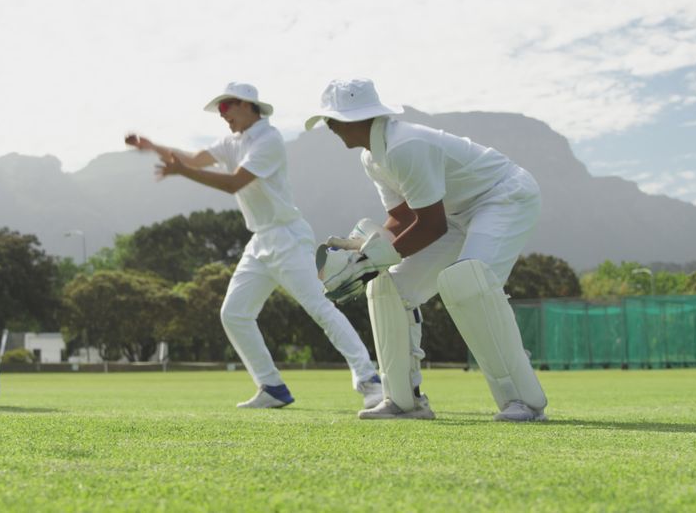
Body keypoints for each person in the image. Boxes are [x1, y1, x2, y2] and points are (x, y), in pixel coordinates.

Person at [125, 82, 384, 410]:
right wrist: (152, 146)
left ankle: (369, 380)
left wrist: (182, 172)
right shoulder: (233, 140)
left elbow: (235, 181)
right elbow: (195, 158)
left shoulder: (270, 139)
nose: (222, 115)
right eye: (219, 109)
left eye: (225, 107)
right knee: (233, 314)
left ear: (246, 105)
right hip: (260, 240)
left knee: (320, 307)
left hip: (288, 236)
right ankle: (272, 387)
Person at [305, 78, 548, 421]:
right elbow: (401, 215)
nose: (329, 126)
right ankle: (404, 401)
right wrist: (363, 256)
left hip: (503, 196)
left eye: (334, 118)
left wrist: (370, 261)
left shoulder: (406, 145)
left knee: (470, 284)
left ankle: (524, 402)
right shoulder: (372, 157)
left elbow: (431, 226)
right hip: (453, 211)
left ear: (360, 118)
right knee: (390, 288)